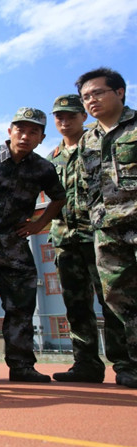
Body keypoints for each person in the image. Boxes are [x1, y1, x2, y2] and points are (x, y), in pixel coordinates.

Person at [0, 107, 66, 382]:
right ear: (10, 131)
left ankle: (21, 367)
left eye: (33, 132)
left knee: (20, 307)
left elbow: (58, 198)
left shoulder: (43, 168)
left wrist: (38, 225)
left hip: (14, 244)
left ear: (41, 138)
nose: (25, 136)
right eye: (20, 130)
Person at [47, 93, 131, 383]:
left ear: (83, 116)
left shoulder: (96, 145)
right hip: (64, 239)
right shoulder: (52, 158)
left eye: (71, 115)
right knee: (76, 306)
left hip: (97, 235)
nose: (65, 121)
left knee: (112, 301)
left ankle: (125, 364)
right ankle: (86, 365)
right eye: (59, 116)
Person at [75, 67, 137, 389]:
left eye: (98, 92)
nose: (91, 100)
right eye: (86, 96)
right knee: (118, 297)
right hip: (108, 229)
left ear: (120, 92)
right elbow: (88, 185)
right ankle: (131, 365)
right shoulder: (88, 139)